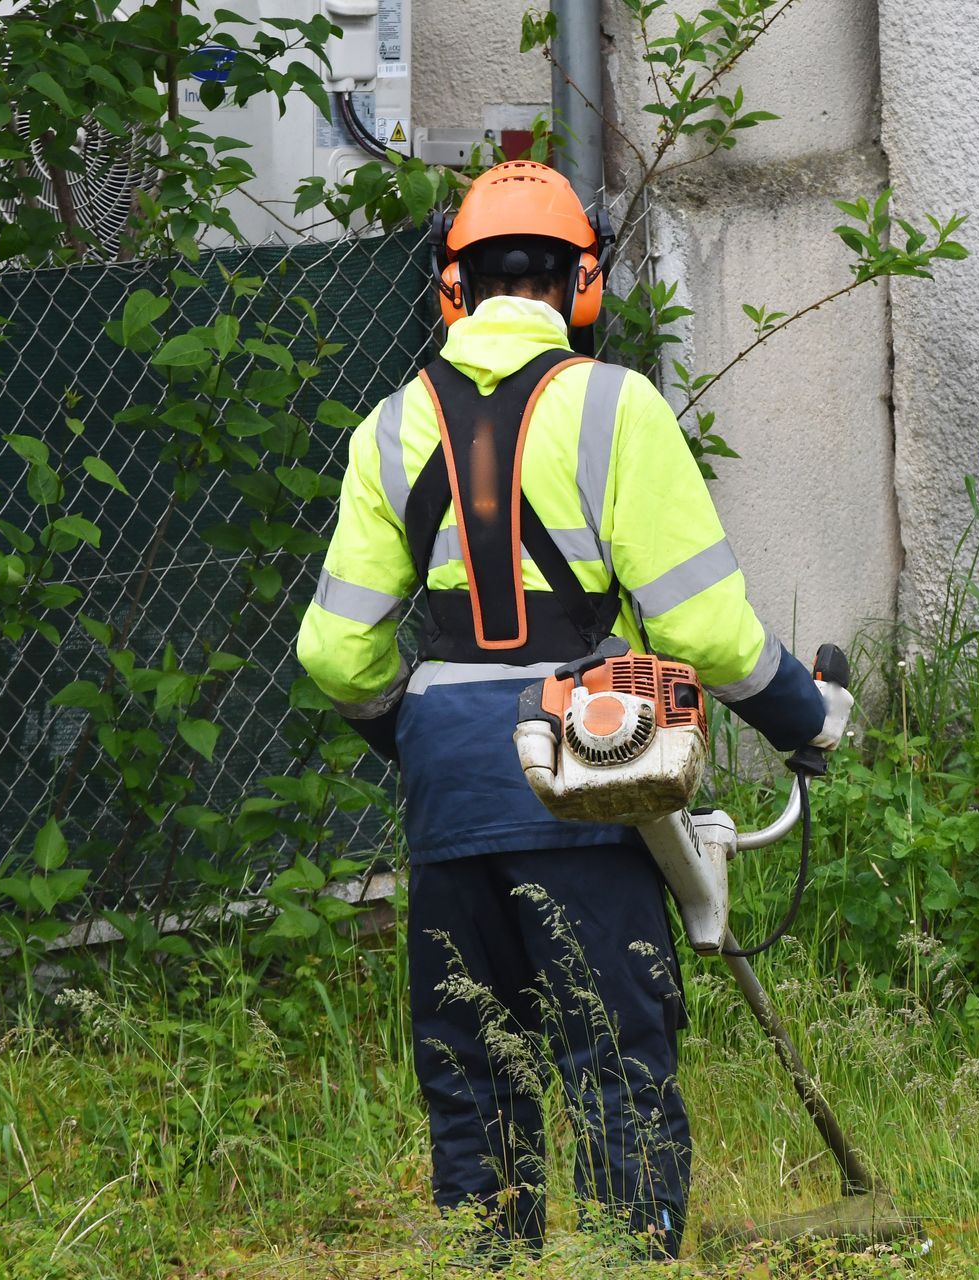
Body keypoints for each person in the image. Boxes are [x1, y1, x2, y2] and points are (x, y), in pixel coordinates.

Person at [295, 160, 838, 1259]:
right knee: (615, 1058)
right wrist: (803, 716)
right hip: (589, 765)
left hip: (450, 785)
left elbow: (336, 652)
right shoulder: (613, 403)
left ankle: (489, 1257)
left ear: (452, 288)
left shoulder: (391, 425)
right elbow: (701, 627)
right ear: (580, 285)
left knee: (472, 1064)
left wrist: (420, 734)